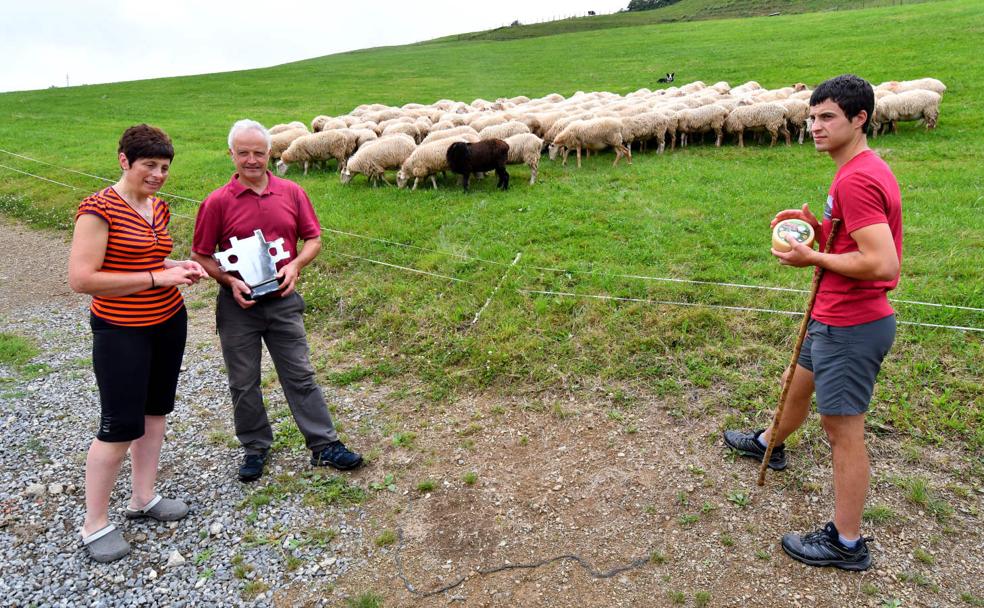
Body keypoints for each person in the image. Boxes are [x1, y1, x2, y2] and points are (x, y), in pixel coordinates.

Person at [723, 74, 902, 571]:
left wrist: (814, 258)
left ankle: (847, 542)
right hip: (832, 313)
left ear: (860, 118)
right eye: (812, 117)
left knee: (841, 429)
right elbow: (855, 240)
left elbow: (882, 263)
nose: (815, 127)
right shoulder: (857, 169)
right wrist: (819, 232)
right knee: (795, 383)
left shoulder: (856, 179)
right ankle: (770, 443)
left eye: (827, 117)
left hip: (851, 323)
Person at [191, 119, 363, 483]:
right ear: (231, 154)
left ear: (270, 153)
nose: (252, 160)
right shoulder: (216, 203)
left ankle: (324, 444)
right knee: (243, 381)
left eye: (258, 152)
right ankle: (255, 447)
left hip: (283, 301)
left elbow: (313, 239)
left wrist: (296, 265)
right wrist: (228, 281)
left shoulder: (292, 192)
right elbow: (201, 254)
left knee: (300, 374)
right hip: (238, 307)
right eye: (243, 153)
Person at [68, 124, 206, 562]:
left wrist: (177, 266)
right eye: (149, 165)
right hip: (121, 330)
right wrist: (156, 278)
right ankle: (94, 524)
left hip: (168, 321)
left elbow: (148, 258)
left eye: (164, 167)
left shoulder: (157, 207)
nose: (158, 175)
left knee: (155, 413)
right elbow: (82, 279)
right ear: (124, 160)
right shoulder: (97, 209)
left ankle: (143, 497)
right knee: (119, 425)